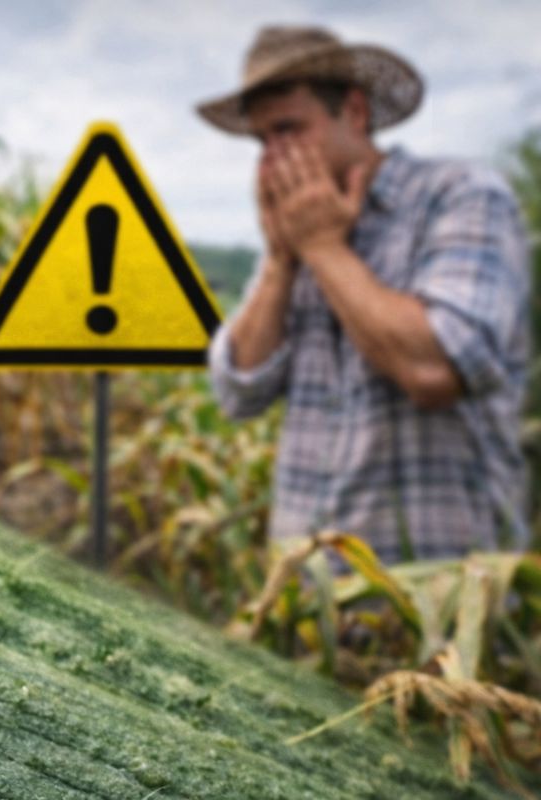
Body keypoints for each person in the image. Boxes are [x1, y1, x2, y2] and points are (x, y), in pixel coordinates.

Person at [197, 25, 531, 564]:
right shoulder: (303, 226)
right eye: (262, 142)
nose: (274, 159)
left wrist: (325, 250)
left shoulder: (461, 197)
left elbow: (435, 368)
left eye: (289, 130)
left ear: (353, 113)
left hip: (437, 598)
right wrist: (283, 261)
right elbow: (238, 390)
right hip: (309, 605)